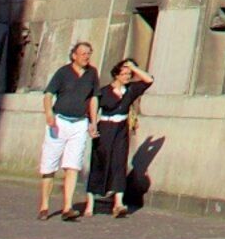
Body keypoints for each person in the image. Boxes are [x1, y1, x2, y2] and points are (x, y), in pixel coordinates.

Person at [38, 41, 101, 220]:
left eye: (89, 53)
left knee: (72, 165)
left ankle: (67, 207)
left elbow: (94, 98)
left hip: (79, 123)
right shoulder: (63, 72)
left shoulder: (92, 73)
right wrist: (49, 113)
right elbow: (49, 94)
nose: (86, 57)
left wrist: (93, 121)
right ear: (74, 55)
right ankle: (44, 205)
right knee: (49, 164)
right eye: (83, 53)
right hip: (59, 122)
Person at [88, 58, 150, 215]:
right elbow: (93, 106)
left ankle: (118, 203)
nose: (127, 77)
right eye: (124, 74)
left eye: (129, 74)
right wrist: (92, 124)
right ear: (116, 75)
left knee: (119, 162)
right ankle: (90, 203)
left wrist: (134, 68)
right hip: (105, 128)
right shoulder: (104, 91)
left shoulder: (130, 90)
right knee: (100, 161)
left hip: (121, 130)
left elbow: (148, 80)